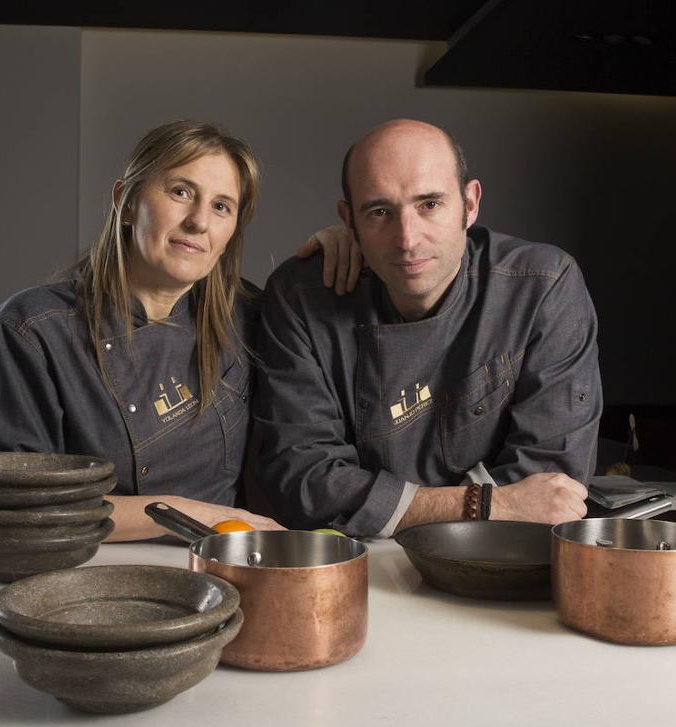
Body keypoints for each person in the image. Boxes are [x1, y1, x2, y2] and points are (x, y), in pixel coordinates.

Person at [0, 120, 360, 541]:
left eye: (222, 206)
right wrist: (186, 514)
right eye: (180, 192)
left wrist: (340, 247)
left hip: (217, 574)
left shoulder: (247, 317)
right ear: (126, 203)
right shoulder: (28, 334)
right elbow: (16, 509)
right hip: (78, 577)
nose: (199, 222)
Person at [252, 119, 602, 537]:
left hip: (501, 560)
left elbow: (549, 490)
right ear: (349, 221)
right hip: (352, 563)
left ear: (470, 204)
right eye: (379, 212)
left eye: (429, 205)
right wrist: (485, 504)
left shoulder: (543, 286)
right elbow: (305, 480)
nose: (407, 239)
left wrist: (389, 508)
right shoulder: (301, 296)